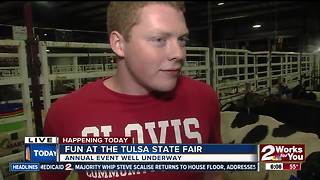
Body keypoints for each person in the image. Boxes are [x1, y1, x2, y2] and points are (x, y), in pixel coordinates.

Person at [41, 1, 222, 180]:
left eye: (182, 39)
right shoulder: (63, 113)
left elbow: (215, 171)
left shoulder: (204, 97)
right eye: (159, 39)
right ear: (119, 44)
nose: (179, 54)